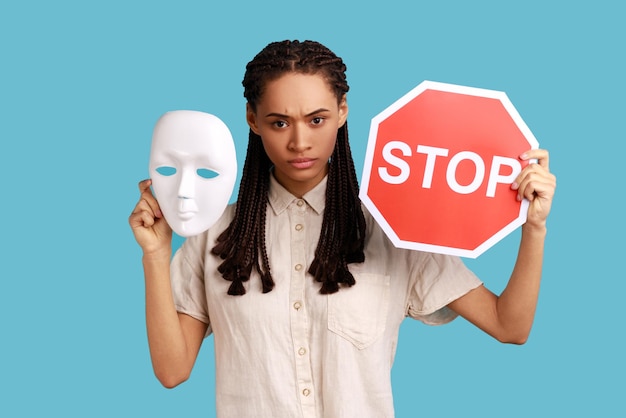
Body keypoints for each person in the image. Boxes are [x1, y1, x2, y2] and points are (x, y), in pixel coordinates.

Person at [129, 40, 556, 418]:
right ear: (253, 120)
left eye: (316, 120)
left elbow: (509, 326)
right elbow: (172, 370)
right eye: (279, 122)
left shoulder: (393, 226)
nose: (300, 142)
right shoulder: (213, 233)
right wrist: (155, 253)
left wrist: (533, 229)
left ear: (342, 112)